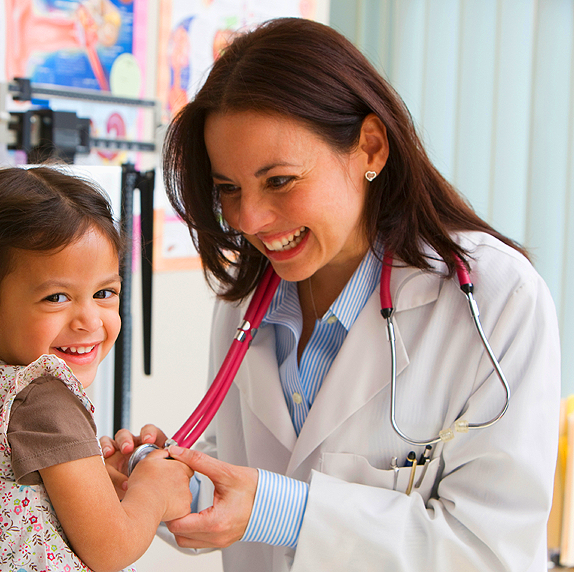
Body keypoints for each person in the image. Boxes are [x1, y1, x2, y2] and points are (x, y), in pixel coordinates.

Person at [102, 17, 561, 572]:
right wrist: (162, 484)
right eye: (229, 189)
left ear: (369, 148)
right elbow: (236, 481)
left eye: (279, 181)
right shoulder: (247, 302)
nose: (250, 219)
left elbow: (490, 552)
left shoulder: (493, 299)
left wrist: (284, 512)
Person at [0, 166, 193, 572]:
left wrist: (99, 483)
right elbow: (112, 548)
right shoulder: (45, 397)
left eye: (104, 293)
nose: (89, 320)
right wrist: (153, 490)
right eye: (56, 297)